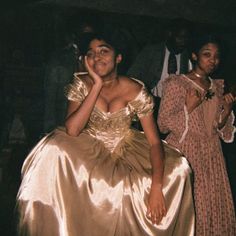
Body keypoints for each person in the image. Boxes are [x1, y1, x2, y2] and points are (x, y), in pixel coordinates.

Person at [17, 30, 195, 236]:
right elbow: (73, 130)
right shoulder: (82, 83)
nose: (96, 57)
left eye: (103, 51)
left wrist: (156, 187)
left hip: (126, 147)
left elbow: (155, 143)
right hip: (87, 147)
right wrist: (96, 86)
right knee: (52, 149)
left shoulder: (136, 90)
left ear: (118, 57)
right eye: (91, 53)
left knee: (179, 169)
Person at [157, 34, 236, 236]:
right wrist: (188, 107)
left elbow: (219, 128)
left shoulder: (217, 87)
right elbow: (163, 124)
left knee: (211, 203)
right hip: (185, 152)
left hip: (212, 154)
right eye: (206, 54)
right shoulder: (177, 84)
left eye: (217, 56)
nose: (213, 60)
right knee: (189, 203)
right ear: (194, 55)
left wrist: (226, 111)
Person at [127, 18, 191, 98]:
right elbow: (132, 76)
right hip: (151, 99)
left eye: (186, 38)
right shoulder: (151, 52)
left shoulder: (187, 56)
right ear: (170, 34)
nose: (183, 42)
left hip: (175, 101)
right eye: (180, 38)